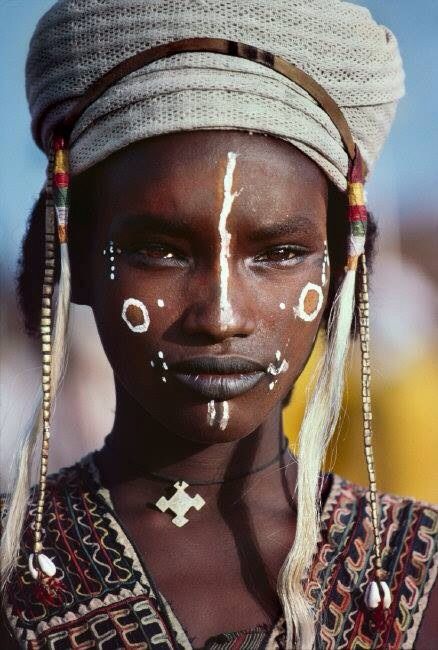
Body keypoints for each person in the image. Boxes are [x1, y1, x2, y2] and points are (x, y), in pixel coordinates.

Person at [1, 1, 436, 648]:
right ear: (77, 261)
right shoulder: (16, 574)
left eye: (280, 254)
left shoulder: (418, 577)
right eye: (161, 251)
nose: (223, 317)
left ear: (341, 270)